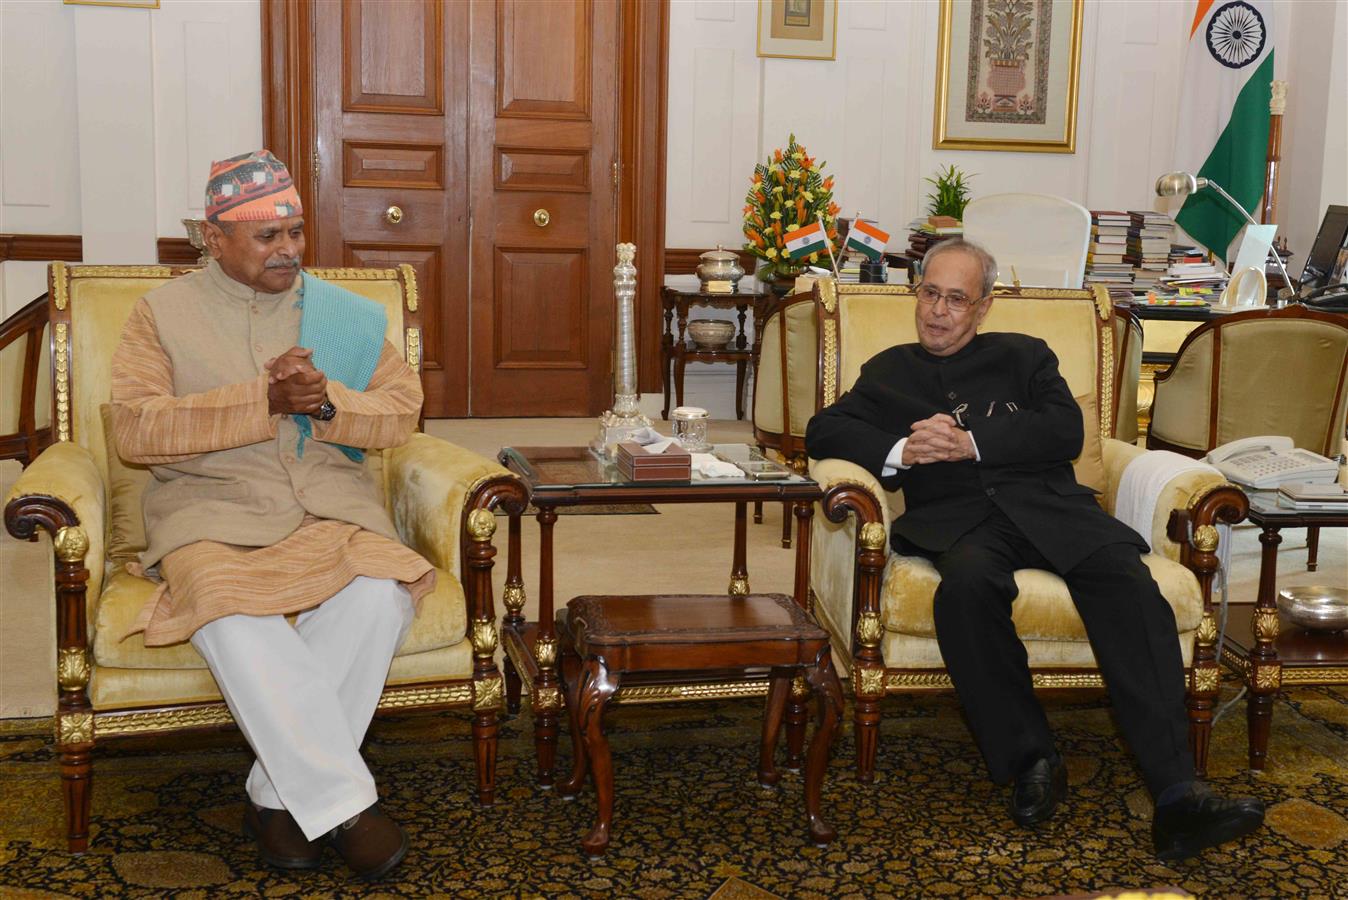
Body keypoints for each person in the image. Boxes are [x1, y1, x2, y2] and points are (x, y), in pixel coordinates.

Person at [804, 239, 1264, 861]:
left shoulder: (1025, 356)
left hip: (1052, 511)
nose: (937, 311)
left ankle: (1177, 795)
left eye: (956, 299)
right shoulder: (888, 371)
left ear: (984, 305)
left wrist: (971, 441)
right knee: (964, 592)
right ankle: (1032, 758)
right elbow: (824, 429)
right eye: (929, 293)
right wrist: (900, 452)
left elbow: (1064, 429)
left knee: (1132, 590)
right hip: (960, 524)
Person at [110, 150, 431, 880]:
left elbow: (401, 412)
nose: (288, 249)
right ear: (214, 237)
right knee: (227, 611)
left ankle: (277, 797)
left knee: (380, 596)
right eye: (267, 237)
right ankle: (348, 806)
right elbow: (134, 429)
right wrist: (260, 403)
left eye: (295, 232)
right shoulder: (160, 314)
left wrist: (323, 402)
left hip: (328, 506)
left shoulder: (342, 316)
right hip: (208, 510)